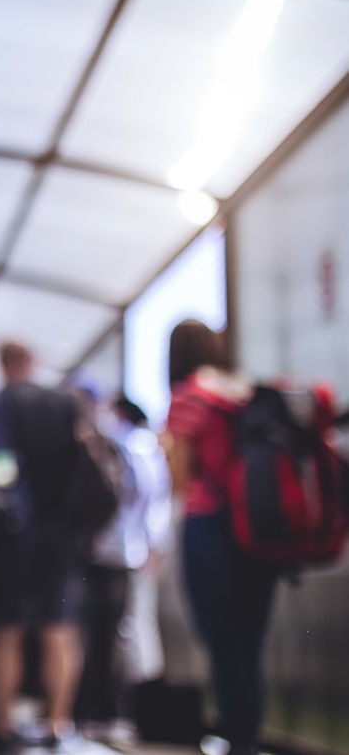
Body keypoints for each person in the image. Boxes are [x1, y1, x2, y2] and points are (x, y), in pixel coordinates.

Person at [0, 340, 84, 752]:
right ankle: (57, 723)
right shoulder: (64, 403)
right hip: (61, 533)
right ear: (32, 361)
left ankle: (2, 725)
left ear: (3, 363)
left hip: (15, 534)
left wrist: (4, 505)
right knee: (60, 629)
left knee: (7, 630)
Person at [161, 319, 276, 755]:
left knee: (221, 638)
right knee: (249, 641)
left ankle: (236, 739)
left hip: (210, 524)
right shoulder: (244, 389)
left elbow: (179, 480)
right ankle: (247, 736)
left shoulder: (189, 395)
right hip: (260, 528)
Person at [73, 393, 171, 744]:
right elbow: (153, 496)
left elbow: (147, 495)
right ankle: (108, 711)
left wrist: (150, 542)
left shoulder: (124, 444)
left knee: (108, 632)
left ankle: (107, 710)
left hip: (110, 549)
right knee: (116, 631)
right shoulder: (138, 446)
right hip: (122, 551)